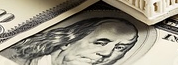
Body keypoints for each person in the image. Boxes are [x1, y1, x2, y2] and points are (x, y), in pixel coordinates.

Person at [9, 17, 139, 65]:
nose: (106, 53)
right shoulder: (11, 58)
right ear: (67, 41)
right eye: (100, 42)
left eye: (120, 48)